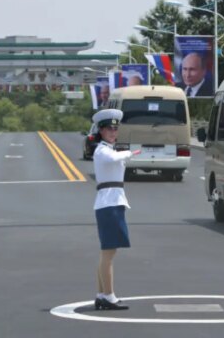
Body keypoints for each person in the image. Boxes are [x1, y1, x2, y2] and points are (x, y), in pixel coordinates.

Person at [92, 108, 142, 311]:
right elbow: (113, 159)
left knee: (106, 253)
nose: (113, 132)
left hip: (113, 201)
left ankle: (101, 294)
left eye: (115, 128)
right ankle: (109, 296)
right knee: (109, 253)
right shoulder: (102, 150)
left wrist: (125, 153)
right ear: (101, 131)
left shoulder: (109, 149)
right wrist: (130, 152)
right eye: (109, 128)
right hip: (109, 202)